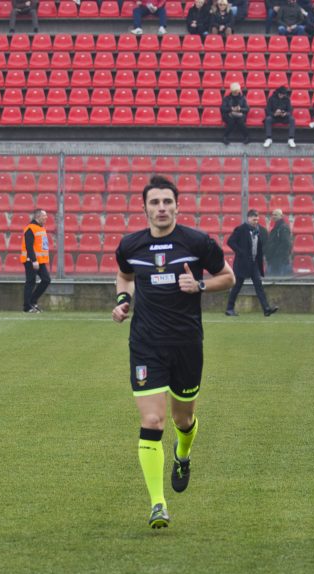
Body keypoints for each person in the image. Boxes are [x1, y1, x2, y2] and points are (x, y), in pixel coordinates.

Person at [112, 175, 235, 529]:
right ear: (145, 208)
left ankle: (183, 455)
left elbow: (228, 276)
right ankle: (158, 504)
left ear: (177, 206)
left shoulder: (197, 242)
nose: (161, 208)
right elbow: (124, 277)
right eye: (155, 203)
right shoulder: (131, 245)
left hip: (186, 345)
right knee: (152, 421)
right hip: (146, 345)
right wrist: (123, 302)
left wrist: (198, 284)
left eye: (167, 202)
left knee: (183, 420)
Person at [226, 210, 278, 315]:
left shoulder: (257, 230)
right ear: (248, 218)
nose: (256, 222)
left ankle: (266, 309)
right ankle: (229, 309)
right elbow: (230, 241)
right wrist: (240, 252)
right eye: (254, 219)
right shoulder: (241, 229)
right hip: (242, 263)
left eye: (257, 219)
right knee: (237, 286)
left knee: (259, 285)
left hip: (253, 264)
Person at [20, 208, 51, 313]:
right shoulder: (30, 229)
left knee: (46, 280)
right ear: (38, 217)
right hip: (31, 260)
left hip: (39, 260)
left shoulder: (40, 228)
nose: (46, 217)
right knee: (30, 282)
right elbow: (29, 246)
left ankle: (32, 301)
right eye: (44, 215)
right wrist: (34, 260)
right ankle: (27, 306)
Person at [266, 208, 294, 276]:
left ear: (281, 216)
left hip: (280, 260)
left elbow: (286, 243)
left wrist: (277, 253)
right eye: (273, 215)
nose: (273, 216)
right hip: (274, 259)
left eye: (276, 215)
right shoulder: (277, 227)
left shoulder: (283, 228)